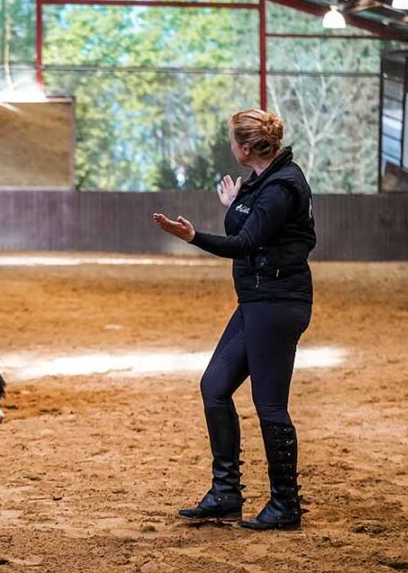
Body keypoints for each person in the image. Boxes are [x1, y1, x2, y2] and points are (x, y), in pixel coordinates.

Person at [152, 108, 316, 531]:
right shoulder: (262, 182)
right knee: (215, 386)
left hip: (277, 304)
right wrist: (234, 203)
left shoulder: (282, 186)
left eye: (232, 142)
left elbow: (244, 241)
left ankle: (286, 505)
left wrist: (193, 237)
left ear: (246, 148)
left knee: (270, 405)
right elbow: (246, 221)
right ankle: (226, 493)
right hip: (257, 301)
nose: (230, 148)